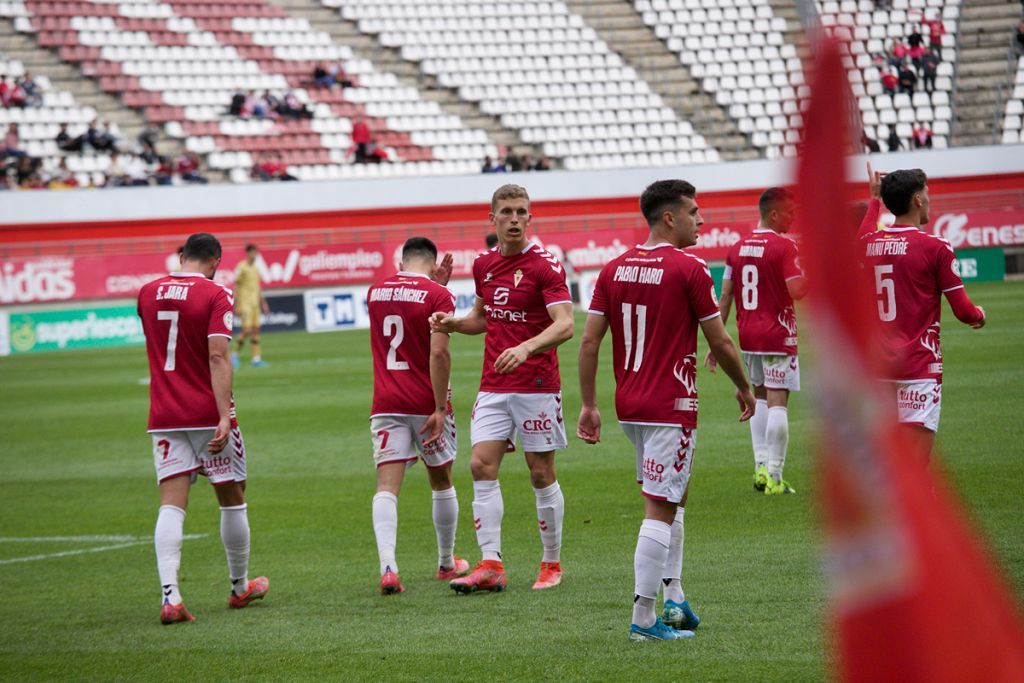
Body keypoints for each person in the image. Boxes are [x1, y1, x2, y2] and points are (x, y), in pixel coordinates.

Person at [577, 179, 756, 641]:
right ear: (669, 218)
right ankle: (643, 619)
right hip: (670, 403)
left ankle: (674, 596)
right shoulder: (689, 268)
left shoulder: (613, 269)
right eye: (695, 212)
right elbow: (720, 339)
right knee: (659, 507)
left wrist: (590, 405)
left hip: (630, 404)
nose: (702, 220)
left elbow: (591, 340)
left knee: (674, 495)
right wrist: (744, 387)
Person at [430, 184, 574, 594]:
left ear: (530, 218)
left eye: (522, 212)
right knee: (480, 465)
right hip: (494, 383)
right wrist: (454, 324)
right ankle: (491, 562)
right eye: (507, 212)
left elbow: (565, 323)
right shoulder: (483, 265)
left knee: (540, 471)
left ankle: (551, 563)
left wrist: (526, 348)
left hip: (537, 383)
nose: (514, 219)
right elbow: (483, 317)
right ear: (492, 219)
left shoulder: (546, 266)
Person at [137, 232, 269, 625]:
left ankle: (170, 597)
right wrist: (224, 415)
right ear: (215, 262)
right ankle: (239, 586)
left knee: (171, 503)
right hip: (206, 413)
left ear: (181, 256)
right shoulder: (216, 293)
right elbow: (217, 355)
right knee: (232, 496)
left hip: (164, 414)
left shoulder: (146, 292)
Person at [857, 168, 985, 457]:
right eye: (927, 193)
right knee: (915, 461)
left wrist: (874, 198)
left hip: (878, 367)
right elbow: (964, 311)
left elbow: (864, 232)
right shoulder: (935, 247)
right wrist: (979, 314)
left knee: (889, 455)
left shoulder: (867, 244)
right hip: (918, 366)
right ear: (917, 199)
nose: (930, 199)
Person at [367, 238, 468, 594]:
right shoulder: (438, 296)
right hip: (425, 402)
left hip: (386, 401)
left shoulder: (375, 291)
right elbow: (438, 354)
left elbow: (403, 314)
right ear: (434, 261)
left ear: (402, 259)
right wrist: (440, 408)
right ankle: (445, 562)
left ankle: (389, 567)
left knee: (386, 487)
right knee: (441, 481)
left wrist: (434, 284)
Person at [708, 187, 806, 494]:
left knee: (759, 398)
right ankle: (775, 477)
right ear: (774, 213)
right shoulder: (784, 247)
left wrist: (716, 341)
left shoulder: (736, 249)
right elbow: (798, 290)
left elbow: (725, 296)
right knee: (778, 402)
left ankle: (760, 467)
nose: (794, 218)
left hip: (748, 335)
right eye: (790, 213)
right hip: (777, 333)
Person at [232, 244, 269, 369]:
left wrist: (263, 303)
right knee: (247, 330)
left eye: (256, 253)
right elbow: (235, 285)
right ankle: (234, 354)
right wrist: (236, 304)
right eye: (252, 252)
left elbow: (258, 287)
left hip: (255, 304)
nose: (254, 255)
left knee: (256, 331)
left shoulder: (256, 269)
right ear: (247, 253)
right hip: (245, 303)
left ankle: (256, 358)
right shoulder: (241, 267)